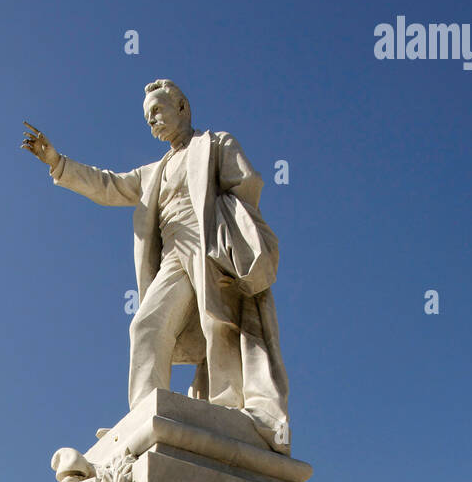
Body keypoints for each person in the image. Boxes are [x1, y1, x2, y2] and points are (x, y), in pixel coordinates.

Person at [22, 80, 290, 450]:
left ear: (182, 107)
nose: (153, 122)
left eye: (158, 111)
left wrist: (228, 237)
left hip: (210, 244)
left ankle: (228, 405)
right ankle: (145, 413)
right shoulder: (153, 172)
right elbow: (109, 185)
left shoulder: (216, 144)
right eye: (148, 118)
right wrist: (58, 162)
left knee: (219, 322)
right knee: (147, 324)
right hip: (173, 255)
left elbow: (248, 185)